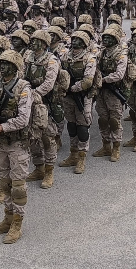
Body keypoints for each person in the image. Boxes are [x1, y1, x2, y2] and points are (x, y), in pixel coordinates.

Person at [0, 50, 34, 244]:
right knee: (4, 183)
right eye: (1, 64)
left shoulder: (23, 88)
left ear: (14, 67)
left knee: (18, 186)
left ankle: (17, 224)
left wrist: (1, 127)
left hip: (17, 143)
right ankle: (7, 218)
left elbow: (23, 119)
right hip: (0, 142)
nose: (1, 67)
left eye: (6, 64)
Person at [24, 30, 61, 186]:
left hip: (45, 103)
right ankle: (39, 168)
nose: (33, 43)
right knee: (32, 137)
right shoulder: (28, 57)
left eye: (36, 40)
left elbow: (48, 84)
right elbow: (21, 76)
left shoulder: (51, 60)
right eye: (32, 40)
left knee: (47, 137)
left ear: (45, 43)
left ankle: (49, 171)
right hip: (29, 101)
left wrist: (33, 94)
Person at [59, 30, 97, 173]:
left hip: (82, 96)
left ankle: (81, 158)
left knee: (82, 127)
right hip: (68, 97)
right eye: (73, 39)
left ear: (85, 43)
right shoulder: (65, 56)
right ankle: (73, 154)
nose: (74, 42)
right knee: (72, 125)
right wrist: (64, 88)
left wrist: (72, 88)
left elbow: (88, 81)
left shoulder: (90, 58)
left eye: (78, 40)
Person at [93, 25, 128, 161]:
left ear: (115, 40)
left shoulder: (121, 55)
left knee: (114, 120)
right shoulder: (101, 53)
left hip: (114, 91)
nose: (106, 39)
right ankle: (106, 145)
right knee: (103, 119)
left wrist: (103, 79)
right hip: (102, 91)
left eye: (109, 38)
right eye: (104, 37)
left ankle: (116, 148)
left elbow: (119, 75)